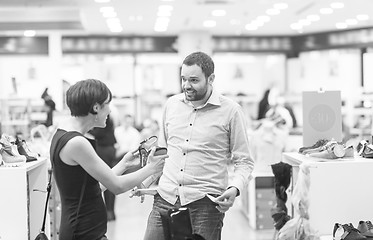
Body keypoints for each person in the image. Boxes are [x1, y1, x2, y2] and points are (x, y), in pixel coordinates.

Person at [138, 52, 254, 240]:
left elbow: (244, 161)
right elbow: (163, 153)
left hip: (206, 204)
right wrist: (145, 181)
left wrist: (234, 188)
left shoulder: (231, 111)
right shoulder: (171, 105)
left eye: (193, 80)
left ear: (211, 79)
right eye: (183, 79)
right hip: (165, 198)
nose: (186, 85)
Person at [50, 79, 167, 240]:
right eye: (107, 104)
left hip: (82, 230)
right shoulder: (76, 143)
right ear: (96, 108)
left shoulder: (63, 133)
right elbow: (117, 186)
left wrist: (124, 164)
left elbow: (92, 189)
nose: (110, 110)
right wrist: (151, 168)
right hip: (82, 233)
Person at [89, 115, 118, 221]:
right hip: (110, 149)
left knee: (106, 180)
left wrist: (86, 129)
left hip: (104, 150)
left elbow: (98, 133)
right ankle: (110, 212)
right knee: (109, 178)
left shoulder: (102, 119)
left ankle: (109, 212)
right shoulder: (108, 119)